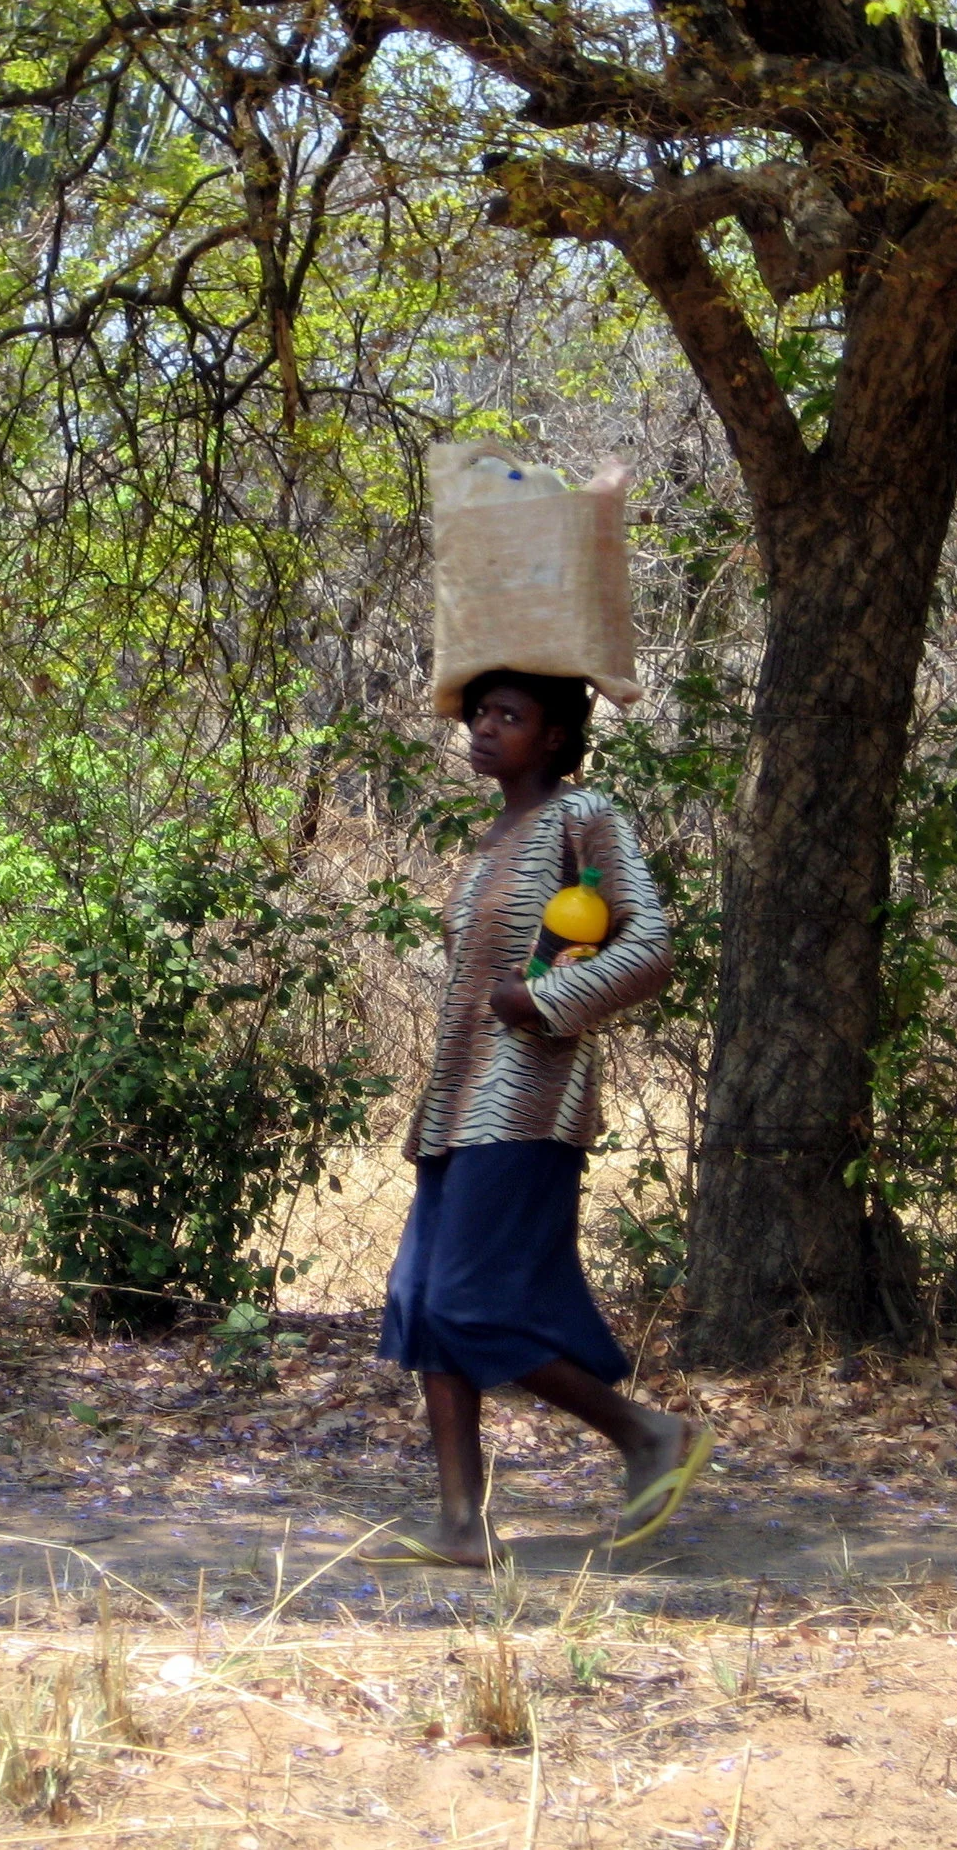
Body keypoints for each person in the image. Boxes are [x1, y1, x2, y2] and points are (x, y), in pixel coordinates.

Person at [361, 668, 712, 1568]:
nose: (483, 726)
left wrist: (547, 997)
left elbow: (649, 945)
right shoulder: (489, 843)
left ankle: (645, 1434)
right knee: (424, 1304)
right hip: (455, 1101)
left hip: (526, 1098)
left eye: (509, 715)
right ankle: (459, 1523)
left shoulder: (581, 816)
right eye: (481, 712)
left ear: (555, 737)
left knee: (474, 1300)